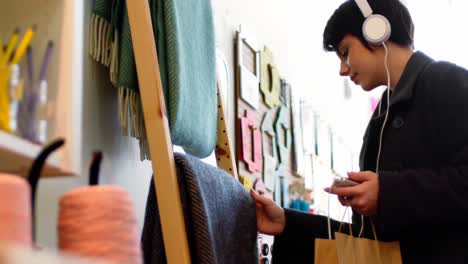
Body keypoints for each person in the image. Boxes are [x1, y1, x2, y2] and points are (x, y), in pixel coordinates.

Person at [250, 0, 468, 263]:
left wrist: (387, 193)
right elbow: (370, 245)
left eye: (345, 52)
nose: (342, 69)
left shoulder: (446, 81)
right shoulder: (381, 118)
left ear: (376, 32)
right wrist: (287, 221)